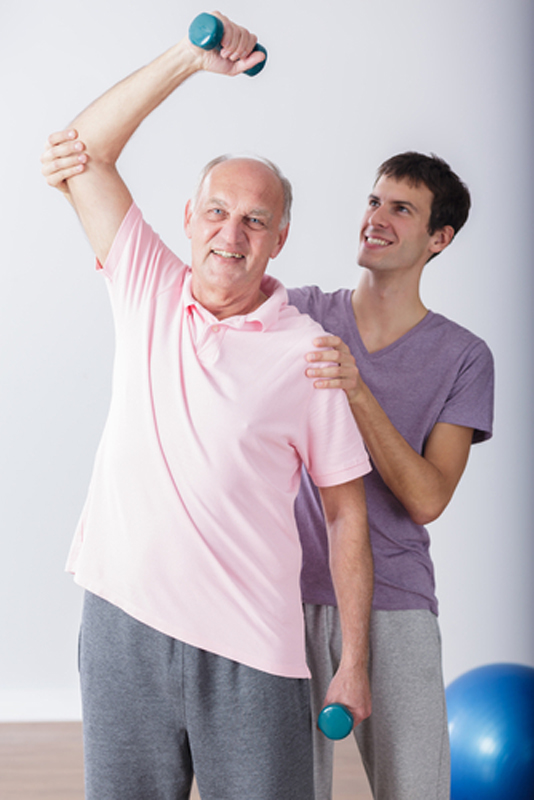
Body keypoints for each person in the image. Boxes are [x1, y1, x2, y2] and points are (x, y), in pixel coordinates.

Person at [39, 13, 373, 800]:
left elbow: (347, 514)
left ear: (279, 238)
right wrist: (190, 60)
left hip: (253, 651)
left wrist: (353, 659)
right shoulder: (146, 286)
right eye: (217, 211)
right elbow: (80, 149)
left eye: (256, 219)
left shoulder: (307, 353)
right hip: (123, 629)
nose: (233, 232)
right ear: (187, 221)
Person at [288, 152, 495, 800]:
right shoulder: (300, 314)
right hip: (282, 596)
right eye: (373, 201)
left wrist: (356, 389)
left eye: (400, 208)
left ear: (440, 239)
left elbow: (428, 496)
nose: (375, 218)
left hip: (396, 603)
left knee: (417, 791)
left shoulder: (464, 357)